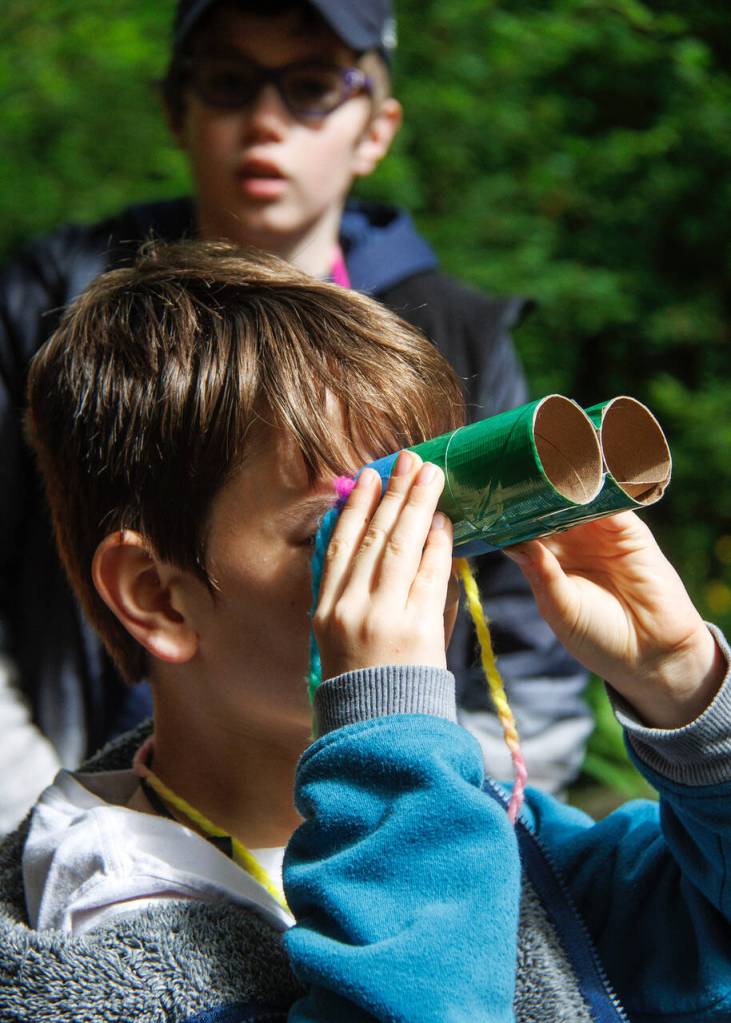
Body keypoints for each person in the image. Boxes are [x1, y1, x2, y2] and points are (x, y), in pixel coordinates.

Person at [2, 241, 730, 1022]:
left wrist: (683, 690)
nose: (423, 561)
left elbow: (705, 948)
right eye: (347, 525)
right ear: (160, 597)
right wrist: (391, 744)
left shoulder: (486, 835)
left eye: (433, 514)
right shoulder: (103, 929)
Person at [0, 0, 589, 830]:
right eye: (230, 82)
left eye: (311, 87)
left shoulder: (453, 333)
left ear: (376, 128)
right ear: (178, 107)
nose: (267, 120)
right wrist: (30, 816)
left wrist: (436, 816)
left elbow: (524, 600)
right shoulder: (49, 308)